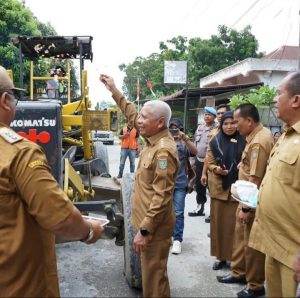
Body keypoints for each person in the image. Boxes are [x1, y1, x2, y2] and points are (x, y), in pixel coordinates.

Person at [0, 65, 103, 297]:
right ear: (6, 100)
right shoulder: (20, 153)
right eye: (15, 96)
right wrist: (88, 231)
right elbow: (62, 219)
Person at [100, 74, 179, 297]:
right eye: (141, 117)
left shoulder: (163, 151)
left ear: (160, 123)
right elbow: (132, 114)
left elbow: (162, 196)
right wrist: (114, 90)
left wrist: (145, 230)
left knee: (154, 279)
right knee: (149, 275)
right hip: (146, 222)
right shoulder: (152, 136)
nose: (139, 121)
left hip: (153, 227)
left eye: (145, 117)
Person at [248, 71, 300, 297]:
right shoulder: (287, 136)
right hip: (274, 244)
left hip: (294, 253)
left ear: (296, 100)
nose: (274, 99)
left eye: (279, 94)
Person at [217, 103, 273, 298]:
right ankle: (239, 273)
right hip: (245, 199)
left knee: (252, 244)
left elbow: (255, 179)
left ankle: (256, 285)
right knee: (240, 239)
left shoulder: (259, 141)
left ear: (249, 121)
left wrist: (246, 209)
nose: (235, 125)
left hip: (251, 201)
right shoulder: (254, 137)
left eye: (237, 121)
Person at [207, 111, 245, 270]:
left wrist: (242, 165)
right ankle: (221, 257)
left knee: (234, 228)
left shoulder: (245, 140)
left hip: (237, 190)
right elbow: (209, 162)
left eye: (232, 123)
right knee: (218, 226)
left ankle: (234, 259)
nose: (229, 127)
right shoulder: (215, 141)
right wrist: (216, 169)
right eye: (225, 124)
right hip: (219, 189)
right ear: (221, 125)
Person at [169, 118, 197, 255]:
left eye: (176, 128)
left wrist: (184, 138)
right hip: (164, 184)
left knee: (179, 212)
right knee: (164, 212)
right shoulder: (164, 141)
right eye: (171, 128)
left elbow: (195, 152)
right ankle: (167, 236)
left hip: (180, 183)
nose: (174, 131)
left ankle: (177, 240)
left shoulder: (183, 143)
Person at [201, 103, 231, 224]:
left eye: (222, 113)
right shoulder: (213, 133)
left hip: (229, 175)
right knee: (215, 202)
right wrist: (204, 173)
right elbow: (208, 156)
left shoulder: (234, 132)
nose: (220, 116)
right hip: (214, 174)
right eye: (218, 113)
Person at [188, 106, 217, 217]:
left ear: (214, 117)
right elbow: (195, 144)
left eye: (209, 114)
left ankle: (213, 212)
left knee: (212, 186)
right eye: (205, 114)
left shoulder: (217, 129)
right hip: (199, 161)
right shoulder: (200, 128)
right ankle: (200, 208)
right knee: (199, 186)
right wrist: (193, 161)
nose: (206, 116)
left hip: (210, 162)